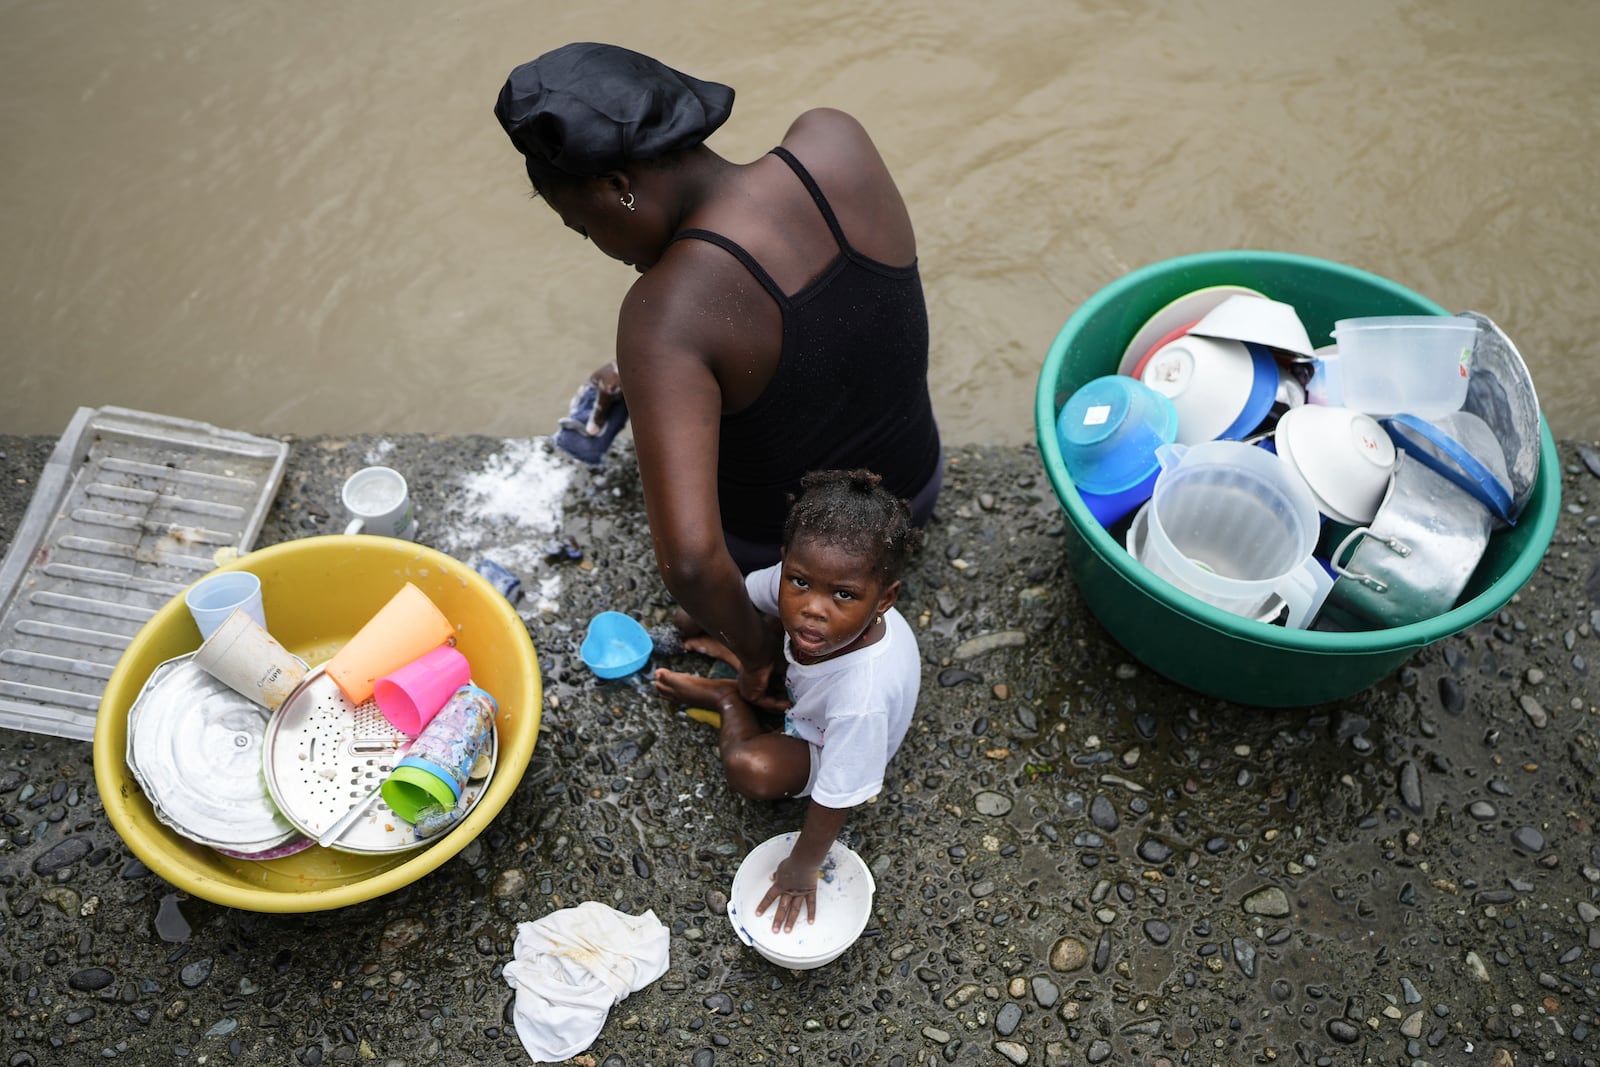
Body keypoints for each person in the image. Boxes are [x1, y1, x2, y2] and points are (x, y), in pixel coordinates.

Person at [494, 42, 942, 709]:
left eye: (583, 228)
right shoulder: (835, 138)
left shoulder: (662, 316)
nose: (599, 248)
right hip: (916, 488)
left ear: (617, 188)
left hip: (787, 559)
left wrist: (762, 652)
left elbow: (693, 562)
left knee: (693, 580)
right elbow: (831, 322)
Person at [652, 469, 923, 931]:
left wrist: (802, 868)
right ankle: (746, 668)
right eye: (799, 582)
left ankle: (729, 701)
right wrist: (681, 628)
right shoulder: (796, 589)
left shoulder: (862, 698)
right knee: (706, 605)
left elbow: (835, 798)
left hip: (827, 740)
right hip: (808, 690)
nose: (814, 607)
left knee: (751, 769)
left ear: (885, 599)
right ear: (786, 563)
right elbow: (743, 595)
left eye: (844, 594)